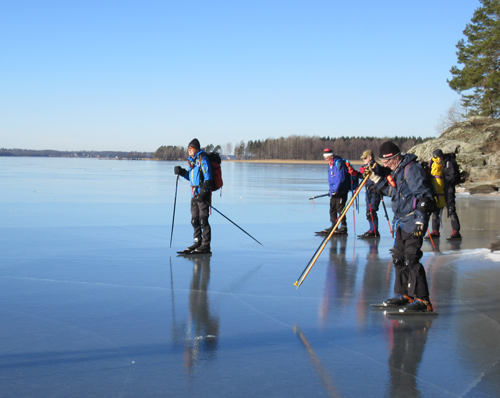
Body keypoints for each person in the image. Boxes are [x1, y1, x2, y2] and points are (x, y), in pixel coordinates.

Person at [367, 141, 434, 312]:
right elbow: (394, 193)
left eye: (386, 161)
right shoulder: (397, 171)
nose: (385, 164)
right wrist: (377, 181)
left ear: (395, 158)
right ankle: (404, 295)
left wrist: (421, 220)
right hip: (401, 221)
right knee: (398, 258)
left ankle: (423, 300)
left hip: (413, 220)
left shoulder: (412, 169)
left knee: (412, 258)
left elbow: (424, 197)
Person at [174, 139, 213, 253]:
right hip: (194, 196)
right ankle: (197, 241)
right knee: (194, 220)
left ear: (196, 149)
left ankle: (205, 245)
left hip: (202, 196)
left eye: (191, 149)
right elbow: (191, 178)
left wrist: (203, 193)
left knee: (203, 220)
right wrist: (181, 172)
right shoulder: (192, 162)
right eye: (188, 149)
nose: (189, 151)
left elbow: (208, 178)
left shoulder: (203, 159)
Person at [425, 149, 462, 240]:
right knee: (435, 209)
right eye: (435, 158)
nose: (437, 159)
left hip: (448, 189)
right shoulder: (434, 164)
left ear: (441, 157)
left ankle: (456, 231)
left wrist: (442, 180)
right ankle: (435, 231)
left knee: (451, 209)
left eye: (438, 157)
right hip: (437, 189)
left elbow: (453, 177)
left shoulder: (449, 163)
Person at [319, 148, 351, 235]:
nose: (326, 159)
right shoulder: (330, 164)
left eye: (327, 157)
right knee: (332, 208)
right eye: (325, 157)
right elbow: (331, 179)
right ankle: (334, 225)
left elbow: (341, 178)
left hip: (341, 190)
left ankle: (343, 226)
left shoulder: (339, 163)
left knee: (340, 208)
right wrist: (331, 190)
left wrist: (336, 189)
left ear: (331, 156)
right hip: (334, 191)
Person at [358, 150, 383, 238]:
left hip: (375, 191)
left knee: (372, 211)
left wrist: (372, 170)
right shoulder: (366, 166)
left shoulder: (376, 166)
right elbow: (362, 176)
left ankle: (374, 230)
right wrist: (356, 173)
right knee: (368, 212)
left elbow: (379, 174)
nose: (363, 160)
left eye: (365, 158)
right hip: (368, 192)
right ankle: (371, 229)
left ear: (370, 157)